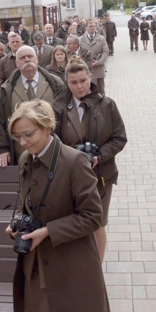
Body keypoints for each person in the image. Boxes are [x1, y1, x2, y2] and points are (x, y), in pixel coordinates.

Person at [6, 100, 111, 312]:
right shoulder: (25, 158)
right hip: (35, 264)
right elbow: (27, 201)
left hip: (66, 265)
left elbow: (93, 216)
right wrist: (17, 221)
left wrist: (49, 231)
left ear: (48, 127)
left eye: (28, 134)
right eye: (18, 136)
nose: (23, 142)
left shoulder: (74, 161)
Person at [52, 60, 127, 262]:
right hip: (70, 176)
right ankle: (77, 264)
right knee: (74, 222)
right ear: (66, 82)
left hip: (101, 175)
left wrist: (99, 156)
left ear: (90, 77)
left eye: (83, 80)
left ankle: (97, 268)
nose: (79, 86)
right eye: (73, 82)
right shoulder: (57, 108)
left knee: (98, 223)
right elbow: (52, 141)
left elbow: (120, 138)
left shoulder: (107, 104)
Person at [0, 46, 65, 167]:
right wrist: (3, 149)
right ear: (16, 63)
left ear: (37, 59)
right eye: (22, 58)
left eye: (30, 56)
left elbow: (65, 116)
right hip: (22, 151)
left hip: (52, 150)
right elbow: (0, 120)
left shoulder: (55, 84)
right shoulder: (7, 89)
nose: (27, 60)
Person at [79, 20, 109, 95]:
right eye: (90, 26)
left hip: (98, 68)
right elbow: (78, 53)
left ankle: (102, 106)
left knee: (100, 91)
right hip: (85, 69)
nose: (92, 27)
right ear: (86, 27)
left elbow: (106, 52)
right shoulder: (80, 39)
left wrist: (99, 62)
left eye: (94, 26)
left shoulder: (101, 39)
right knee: (87, 92)